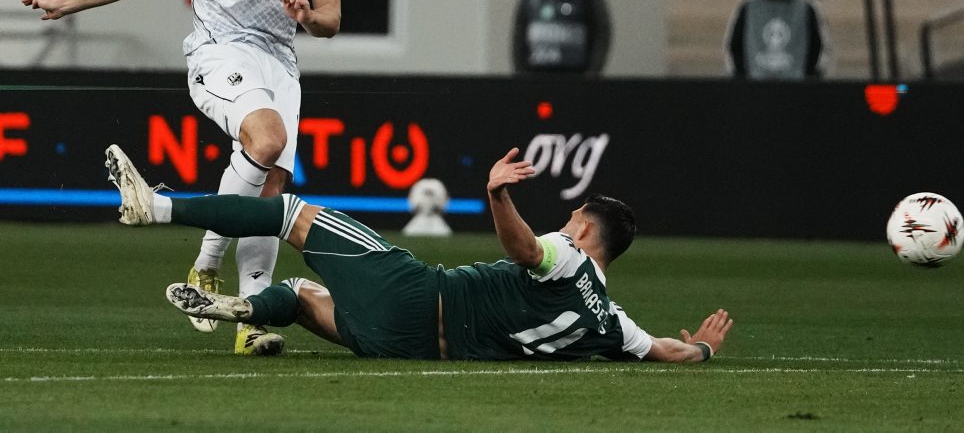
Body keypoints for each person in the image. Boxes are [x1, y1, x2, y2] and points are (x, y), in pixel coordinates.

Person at [21, 0, 342, 355]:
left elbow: (330, 19)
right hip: (219, 51)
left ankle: (249, 322)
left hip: (279, 63)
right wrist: (66, 1)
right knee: (267, 140)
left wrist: (308, 15)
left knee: (272, 192)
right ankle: (207, 262)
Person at [105, 143, 734, 361]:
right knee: (300, 294)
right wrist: (704, 348)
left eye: (572, 218)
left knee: (290, 212)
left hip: (415, 296)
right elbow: (669, 351)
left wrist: (497, 195)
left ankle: (155, 207)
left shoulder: (566, 255)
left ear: (587, 231)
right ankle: (247, 308)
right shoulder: (613, 324)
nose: (565, 224)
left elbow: (523, 250)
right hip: (402, 346)